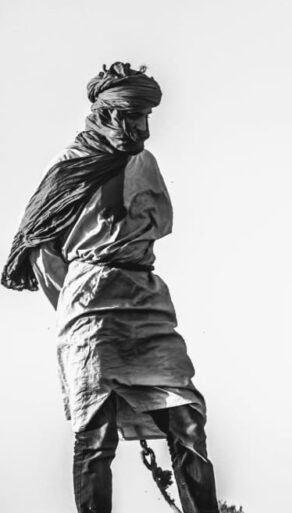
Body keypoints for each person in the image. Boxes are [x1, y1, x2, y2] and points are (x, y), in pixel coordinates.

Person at [2, 62, 219, 513]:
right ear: (106, 115)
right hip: (89, 308)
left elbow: (156, 227)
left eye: (145, 118)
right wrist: (78, 299)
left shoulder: (145, 162)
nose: (142, 128)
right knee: (95, 430)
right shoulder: (69, 167)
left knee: (186, 419)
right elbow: (42, 252)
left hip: (146, 299)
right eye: (132, 117)